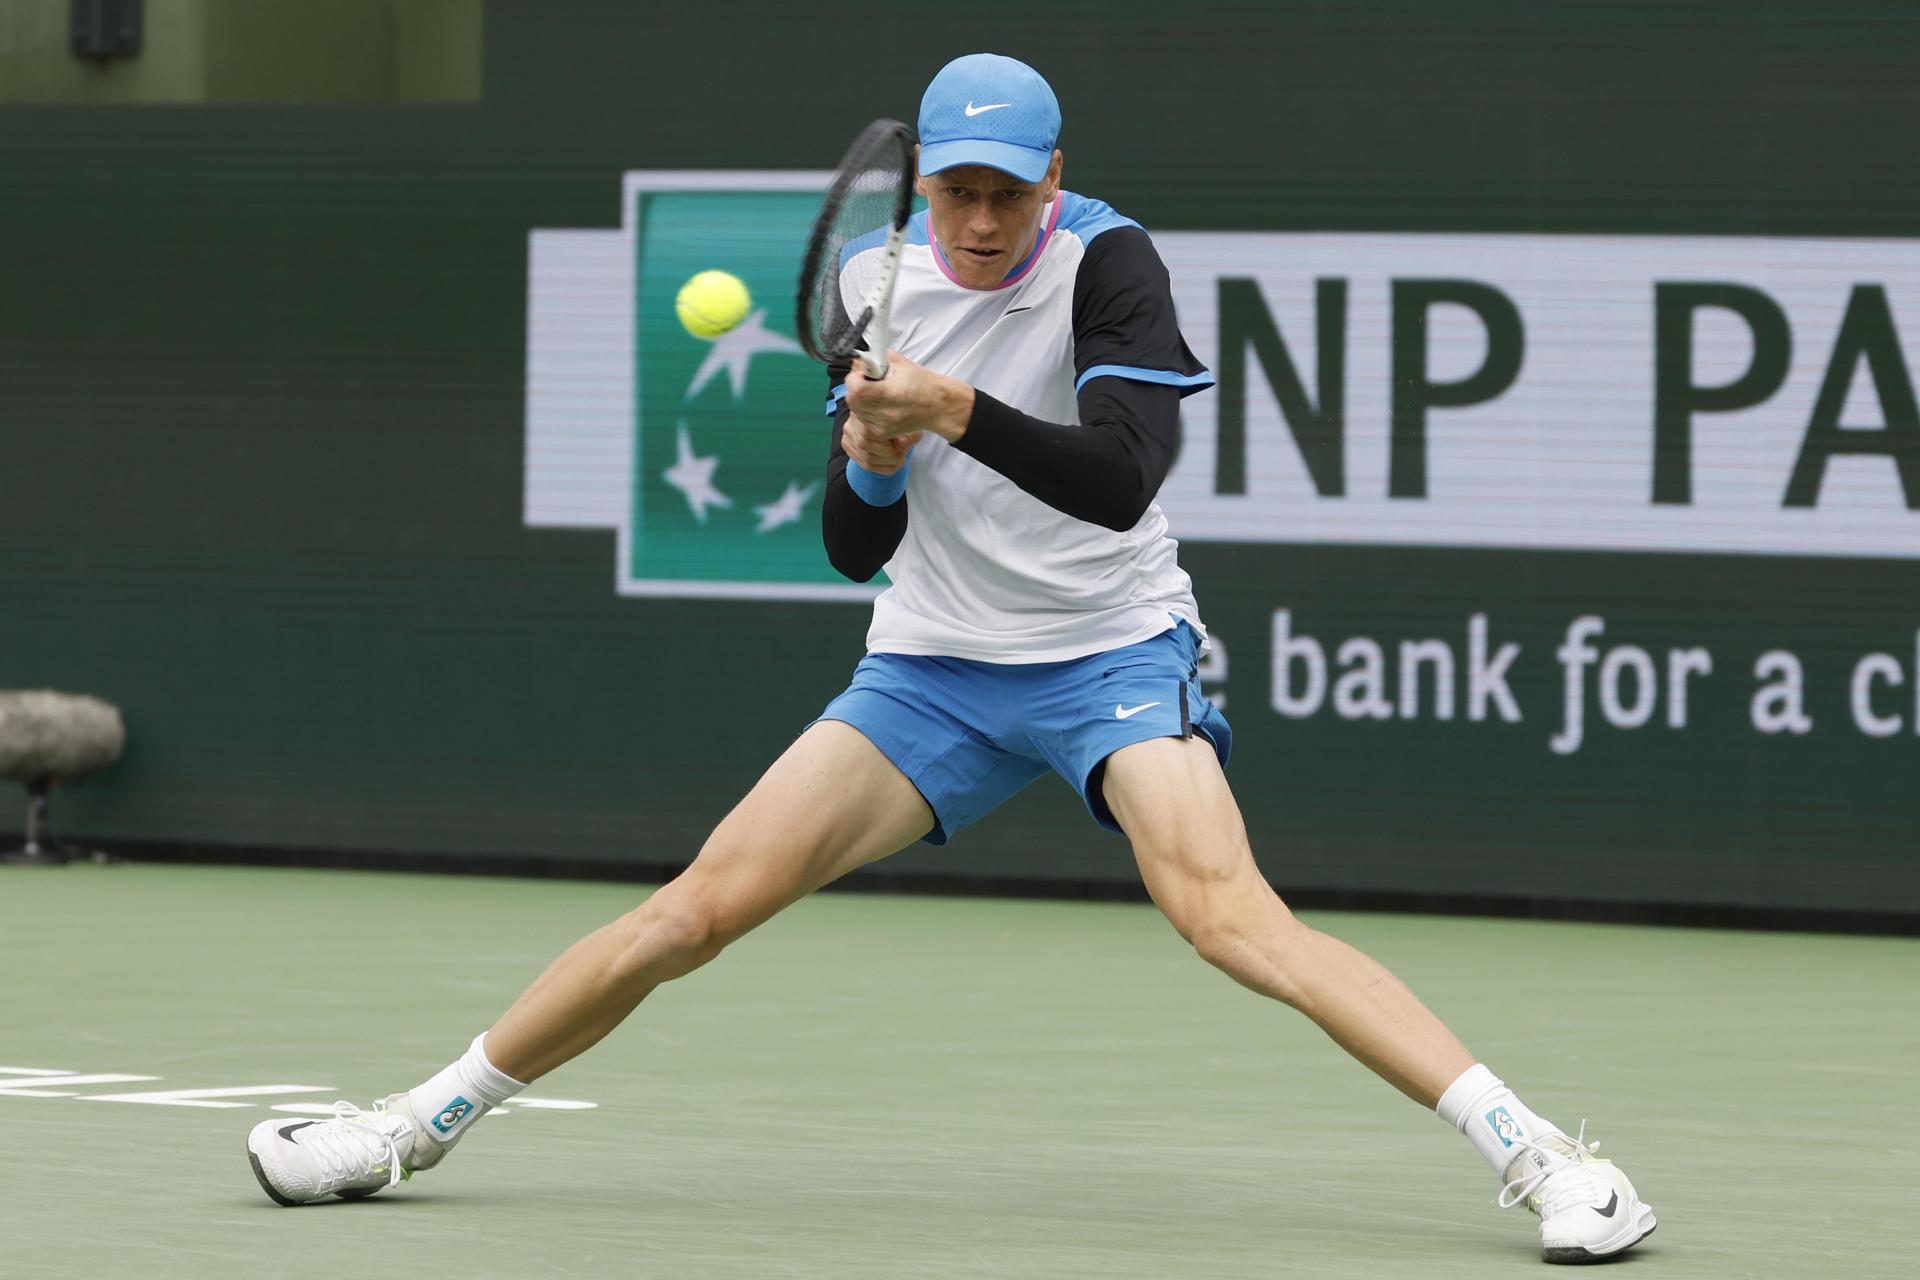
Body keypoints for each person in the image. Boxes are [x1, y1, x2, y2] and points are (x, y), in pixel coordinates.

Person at [245, 52, 1655, 1265]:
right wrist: (869, 455)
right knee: (690, 913)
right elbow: (856, 551)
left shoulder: (1115, 263)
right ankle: (405, 1129)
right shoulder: (877, 282)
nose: (981, 220)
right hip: (929, 668)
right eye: (956, 190)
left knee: (1233, 922)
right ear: (921, 185)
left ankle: (1541, 1155)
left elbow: (1118, 477)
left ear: (1055, 181)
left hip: (1109, 648)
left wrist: (954, 407)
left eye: (1009, 191)